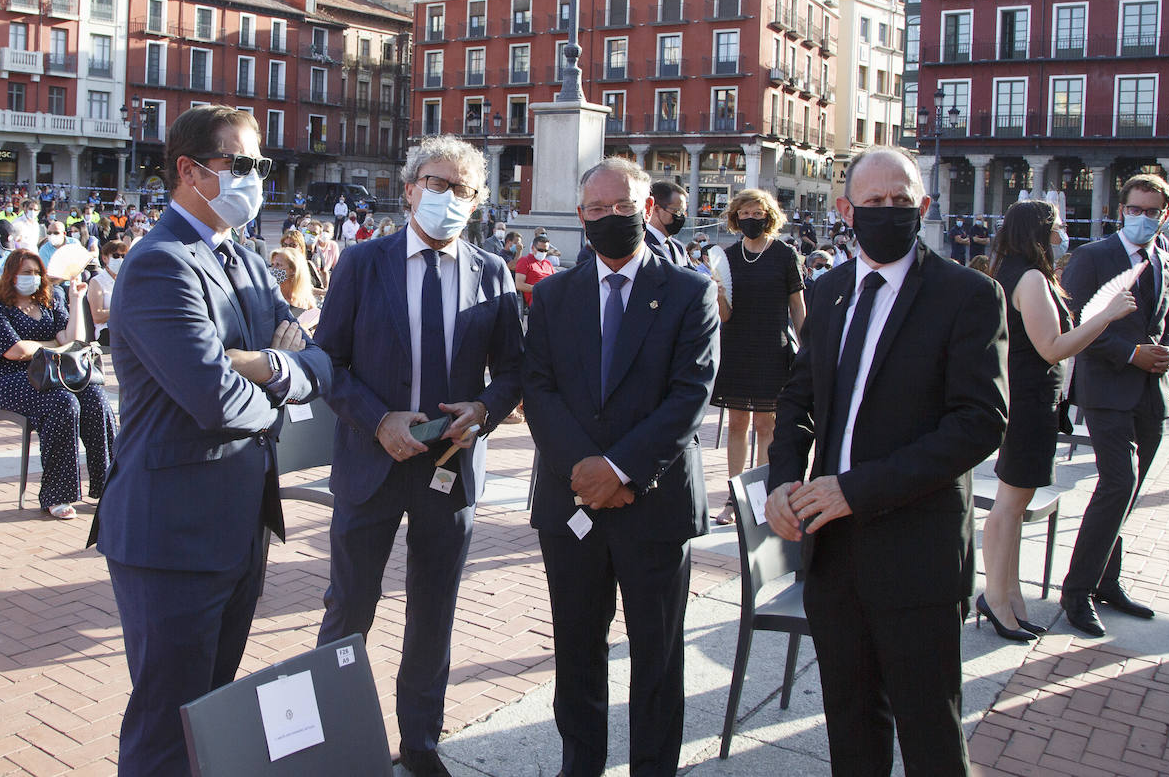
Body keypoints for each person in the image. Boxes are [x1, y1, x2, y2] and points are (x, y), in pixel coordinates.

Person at [91, 105, 331, 777]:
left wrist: (268, 365)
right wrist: (282, 386)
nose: (258, 179)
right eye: (243, 165)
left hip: (237, 527)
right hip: (172, 534)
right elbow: (215, 400)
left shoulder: (251, 263)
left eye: (263, 166)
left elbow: (319, 361)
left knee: (212, 710)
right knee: (167, 725)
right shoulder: (160, 265)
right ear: (191, 171)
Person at [765, 147, 1007, 776]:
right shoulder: (827, 291)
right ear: (846, 210)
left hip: (916, 551)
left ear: (924, 207)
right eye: (875, 202)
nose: (889, 212)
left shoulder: (968, 294)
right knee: (849, 723)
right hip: (832, 550)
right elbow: (798, 397)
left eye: (902, 202)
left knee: (929, 729)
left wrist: (856, 489)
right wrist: (784, 478)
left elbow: (980, 421)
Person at [314, 136, 523, 777]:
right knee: (351, 604)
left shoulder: (493, 271)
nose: (446, 197)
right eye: (435, 183)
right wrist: (378, 421)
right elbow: (328, 362)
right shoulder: (362, 263)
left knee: (434, 608)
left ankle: (421, 741)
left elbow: (515, 370)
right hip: (371, 461)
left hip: (448, 469)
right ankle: (330, 737)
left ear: (478, 200)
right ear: (408, 190)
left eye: (461, 188)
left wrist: (485, 410)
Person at [524, 157, 718, 777]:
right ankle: (579, 763)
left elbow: (692, 393)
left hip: (654, 505)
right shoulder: (554, 295)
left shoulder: (691, 290)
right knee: (576, 648)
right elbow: (540, 387)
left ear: (650, 209)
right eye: (599, 209)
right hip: (572, 499)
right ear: (581, 216)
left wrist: (621, 469)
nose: (613, 217)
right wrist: (585, 468)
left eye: (625, 206)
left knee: (657, 655)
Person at [979, 200, 1137, 642]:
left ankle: (1006, 597)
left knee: (1014, 504)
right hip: (1029, 401)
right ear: (1040, 231)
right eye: (1058, 226)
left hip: (1030, 399)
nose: (1064, 233)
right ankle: (997, 598)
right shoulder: (1028, 278)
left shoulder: (1016, 272)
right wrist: (1106, 316)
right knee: (1011, 506)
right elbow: (1051, 347)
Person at [1058, 174, 1169, 637]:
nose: (1142, 218)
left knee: (1127, 493)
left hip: (1152, 391)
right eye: (1135, 209)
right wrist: (1131, 353)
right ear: (1121, 210)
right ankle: (1077, 592)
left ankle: (1108, 582)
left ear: (1166, 215)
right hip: (1106, 389)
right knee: (1118, 483)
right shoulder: (1093, 257)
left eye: (1152, 212)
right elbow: (1075, 323)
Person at [0, 251, 112, 518]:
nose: (33, 278)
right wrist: (55, 345)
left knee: (96, 397)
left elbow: (74, 340)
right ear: (11, 275)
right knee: (64, 403)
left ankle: (109, 485)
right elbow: (16, 351)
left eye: (37, 272)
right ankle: (58, 494)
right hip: (13, 380)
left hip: (57, 376)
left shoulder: (51, 302)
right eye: (26, 273)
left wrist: (76, 300)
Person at [710, 188, 806, 525]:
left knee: (767, 425)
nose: (752, 219)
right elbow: (724, 315)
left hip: (772, 346)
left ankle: (762, 497)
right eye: (745, 214)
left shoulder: (785, 255)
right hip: (737, 345)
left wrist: (806, 347)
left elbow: (797, 305)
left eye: (758, 213)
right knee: (737, 423)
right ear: (736, 217)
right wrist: (718, 294)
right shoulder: (727, 257)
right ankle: (734, 500)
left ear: (769, 216)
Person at [87, 239, 126, 346]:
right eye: (116, 256)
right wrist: (123, 311)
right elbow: (97, 316)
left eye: (123, 256)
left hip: (127, 328)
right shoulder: (97, 282)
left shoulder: (126, 281)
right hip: (107, 332)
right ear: (105, 258)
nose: (120, 260)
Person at [645, 179, 689, 266]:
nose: (682, 216)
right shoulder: (641, 246)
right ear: (656, 209)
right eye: (678, 211)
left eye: (684, 212)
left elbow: (693, 275)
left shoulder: (679, 247)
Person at [514, 234, 556, 308]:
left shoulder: (548, 263)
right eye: (540, 250)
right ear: (533, 248)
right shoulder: (524, 261)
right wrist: (540, 289)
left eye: (545, 251)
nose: (543, 253)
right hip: (538, 297)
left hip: (551, 295)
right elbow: (519, 285)